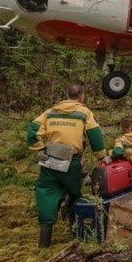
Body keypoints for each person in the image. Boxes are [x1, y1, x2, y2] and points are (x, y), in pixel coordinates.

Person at [27, 83, 110, 248]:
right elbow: (94, 135)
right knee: (74, 194)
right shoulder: (84, 113)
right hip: (71, 160)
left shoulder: (50, 112)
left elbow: (32, 130)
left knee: (46, 192)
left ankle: (44, 241)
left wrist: (40, 148)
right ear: (81, 97)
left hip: (49, 156)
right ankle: (75, 232)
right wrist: (102, 156)